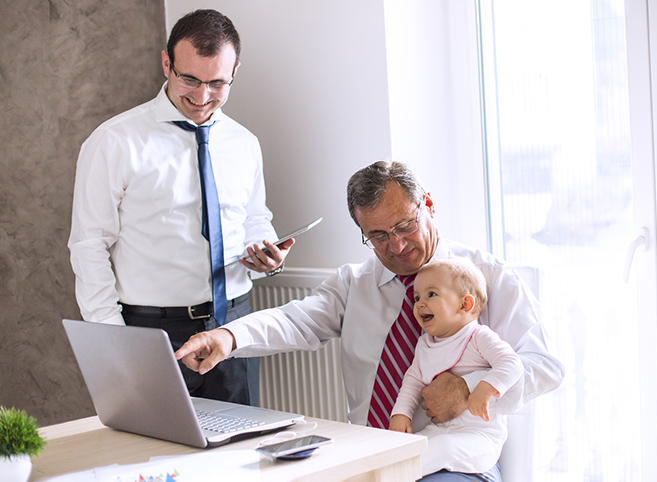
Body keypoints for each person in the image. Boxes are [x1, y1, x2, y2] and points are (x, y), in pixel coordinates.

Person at [175, 160, 565, 481]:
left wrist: (468, 387)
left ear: (428, 204)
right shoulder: (354, 283)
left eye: (405, 226)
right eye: (377, 235)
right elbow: (296, 319)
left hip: (455, 461)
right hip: (369, 457)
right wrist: (229, 336)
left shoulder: (486, 276)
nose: (396, 246)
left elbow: (546, 366)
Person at [68, 9, 292, 407]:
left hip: (233, 327)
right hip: (149, 332)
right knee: (157, 461)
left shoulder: (244, 143)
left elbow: (255, 219)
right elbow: (89, 247)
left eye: (217, 83)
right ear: (166, 62)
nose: (202, 97)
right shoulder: (114, 142)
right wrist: (117, 343)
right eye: (189, 79)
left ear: (235, 71)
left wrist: (268, 255)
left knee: (239, 461)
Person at [389, 258, 523, 477]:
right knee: (409, 450)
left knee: (438, 450)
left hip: (479, 438)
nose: (420, 303)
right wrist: (401, 413)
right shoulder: (425, 344)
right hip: (440, 430)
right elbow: (412, 380)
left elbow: (511, 363)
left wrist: (484, 388)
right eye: (417, 297)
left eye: (431, 294)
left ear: (465, 305)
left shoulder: (478, 336)